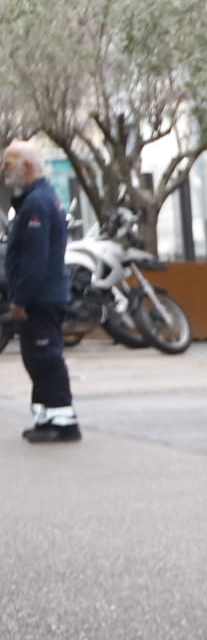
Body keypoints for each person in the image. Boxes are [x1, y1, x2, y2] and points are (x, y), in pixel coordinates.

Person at [4, 140, 76, 444]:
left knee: (45, 356)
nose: (4, 171)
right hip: (44, 294)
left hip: (41, 296)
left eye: (9, 165)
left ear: (27, 167)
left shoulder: (37, 204)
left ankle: (63, 422)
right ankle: (47, 417)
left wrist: (21, 298)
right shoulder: (37, 199)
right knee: (36, 357)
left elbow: (35, 259)